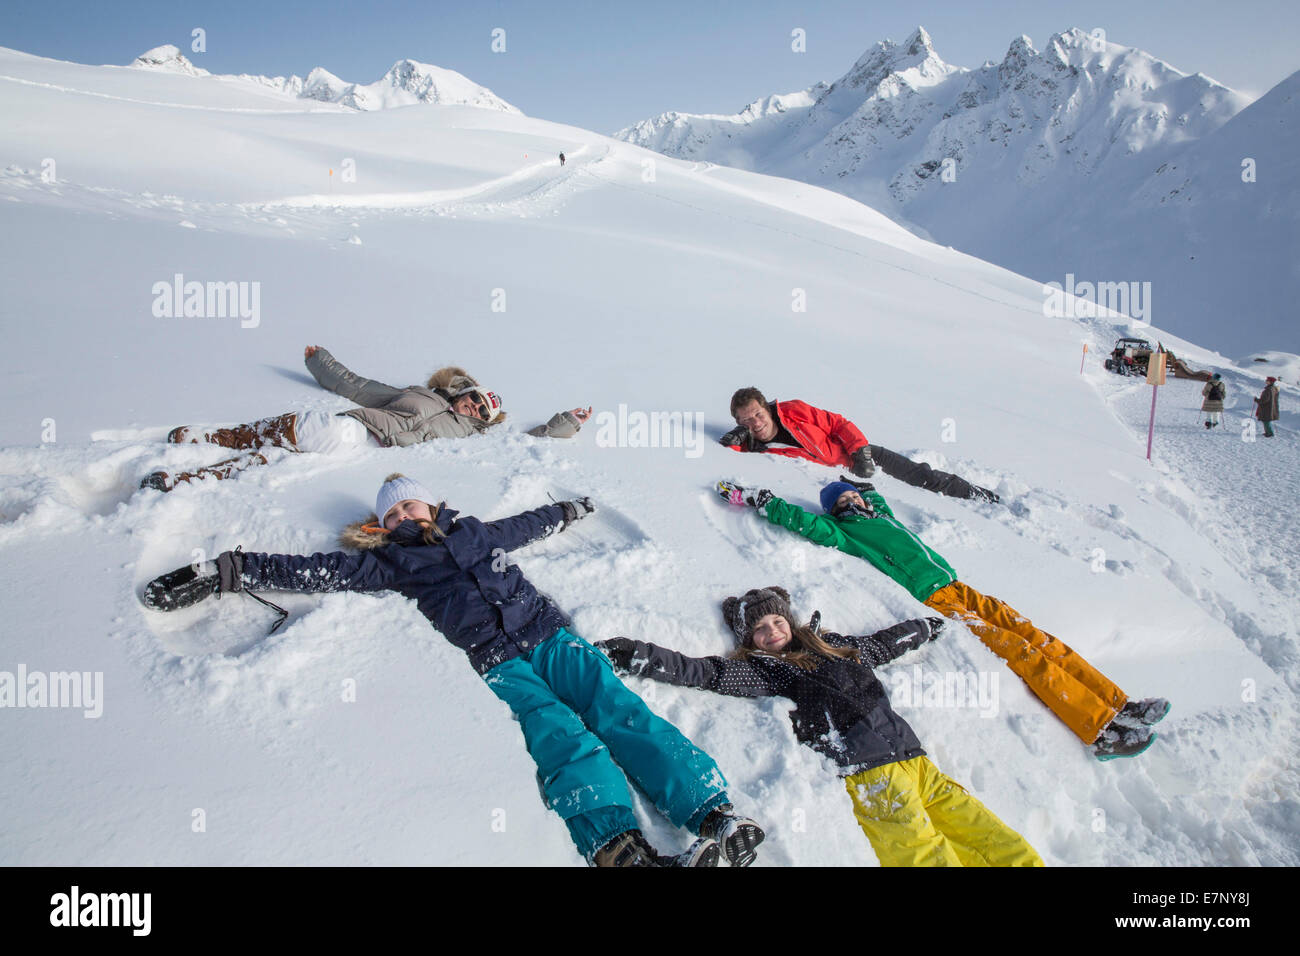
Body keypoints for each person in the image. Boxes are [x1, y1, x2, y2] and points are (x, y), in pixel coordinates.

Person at [141, 473, 764, 867]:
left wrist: (568, 510)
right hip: (500, 662)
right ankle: (621, 850)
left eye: (409, 503)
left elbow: (528, 525)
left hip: (550, 636)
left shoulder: (475, 532)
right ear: (380, 528)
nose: (404, 517)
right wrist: (224, 571)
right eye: (391, 516)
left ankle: (713, 814)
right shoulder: (391, 564)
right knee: (563, 739)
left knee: (618, 710)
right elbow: (312, 570)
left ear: (430, 503)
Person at [715, 477, 1170, 760]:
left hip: (962, 587)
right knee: (1022, 652)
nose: (851, 503)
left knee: (1040, 638)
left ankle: (1118, 704)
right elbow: (807, 524)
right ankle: (1100, 729)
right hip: (939, 600)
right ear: (835, 512)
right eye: (842, 502)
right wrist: (764, 501)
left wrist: (862, 485)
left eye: (853, 497)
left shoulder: (881, 515)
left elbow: (877, 498)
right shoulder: (847, 531)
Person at [596, 587, 1043, 866]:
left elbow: (883, 645)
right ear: (748, 641)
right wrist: (638, 653)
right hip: (870, 774)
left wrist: (923, 628)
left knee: (987, 833)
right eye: (758, 630)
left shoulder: (837, 647)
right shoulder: (768, 671)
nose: (771, 632)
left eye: (776, 621)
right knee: (922, 853)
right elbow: (703, 671)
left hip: (916, 761)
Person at [143, 346, 592, 491]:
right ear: (464, 392)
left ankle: (188, 480)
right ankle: (215, 435)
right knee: (311, 429)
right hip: (358, 427)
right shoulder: (414, 393)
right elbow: (358, 387)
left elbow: (529, 440)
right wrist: (323, 364)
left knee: (280, 465)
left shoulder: (473, 437)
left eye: (480, 412)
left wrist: (564, 423)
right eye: (473, 399)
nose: (472, 408)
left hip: (370, 455)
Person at [720, 386, 999, 503]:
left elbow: (838, 424)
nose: (756, 423)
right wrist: (738, 437)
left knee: (923, 477)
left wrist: (860, 452)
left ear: (767, 409)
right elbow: (727, 453)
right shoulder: (751, 446)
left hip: (859, 457)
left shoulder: (793, 410)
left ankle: (982, 496)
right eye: (746, 421)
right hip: (841, 481)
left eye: (758, 414)